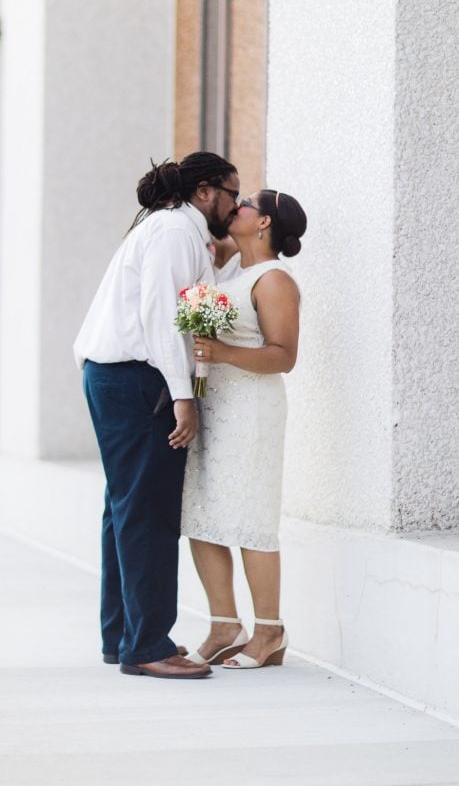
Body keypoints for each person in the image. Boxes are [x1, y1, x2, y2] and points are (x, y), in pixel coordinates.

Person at [74, 153, 240, 680]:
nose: (235, 205)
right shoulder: (173, 231)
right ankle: (147, 646)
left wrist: (231, 258)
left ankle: (122, 636)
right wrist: (183, 396)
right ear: (207, 191)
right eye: (233, 194)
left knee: (126, 508)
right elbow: (164, 320)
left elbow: (199, 312)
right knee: (148, 511)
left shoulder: (184, 235)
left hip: (120, 376)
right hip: (136, 379)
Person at [181, 189, 307, 670]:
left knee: (252, 518)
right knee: (202, 514)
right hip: (215, 405)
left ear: (265, 224)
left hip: (253, 411)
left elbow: (285, 355)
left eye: (249, 203)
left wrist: (223, 353)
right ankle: (223, 624)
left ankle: (269, 632)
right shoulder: (232, 270)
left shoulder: (274, 280)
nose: (240, 206)